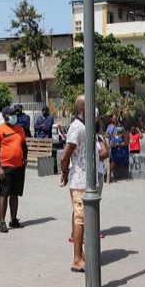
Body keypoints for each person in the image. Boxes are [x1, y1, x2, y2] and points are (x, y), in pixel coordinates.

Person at [60, 96, 89, 272]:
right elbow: (65, 156)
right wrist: (64, 172)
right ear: (83, 108)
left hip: (86, 180)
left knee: (80, 216)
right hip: (78, 180)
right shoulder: (76, 128)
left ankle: (82, 254)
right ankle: (77, 260)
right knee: (80, 218)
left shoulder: (86, 126)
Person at [0, 105, 28, 233]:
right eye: (12, 114)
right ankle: (2, 222)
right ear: (6, 116)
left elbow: (24, 146)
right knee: (4, 195)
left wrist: (25, 158)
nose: (14, 116)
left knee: (15, 194)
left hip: (18, 167)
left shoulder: (20, 130)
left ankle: (14, 219)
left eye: (15, 114)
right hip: (5, 167)